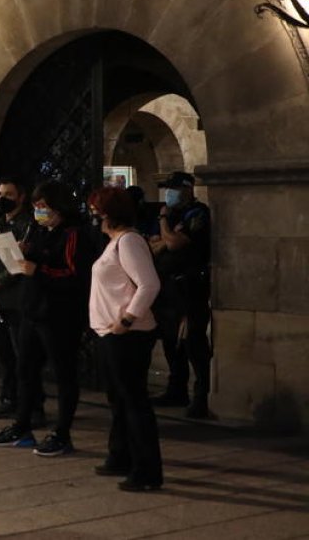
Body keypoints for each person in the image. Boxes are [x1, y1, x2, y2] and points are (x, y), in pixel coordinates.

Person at [0, 181, 99, 456]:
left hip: (59, 315)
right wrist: (23, 253)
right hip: (32, 311)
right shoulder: (38, 231)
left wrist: (37, 270)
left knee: (63, 374)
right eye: (36, 207)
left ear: (58, 206)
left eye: (43, 207)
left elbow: (74, 275)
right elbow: (32, 261)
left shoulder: (73, 234)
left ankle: (62, 432)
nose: (38, 212)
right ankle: (21, 425)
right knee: (25, 369)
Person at [88, 187, 164, 492]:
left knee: (134, 402)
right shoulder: (115, 243)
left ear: (107, 213)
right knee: (118, 400)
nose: (93, 216)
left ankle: (147, 471)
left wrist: (127, 319)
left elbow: (149, 284)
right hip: (109, 333)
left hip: (127, 335)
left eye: (95, 210)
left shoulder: (129, 241)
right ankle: (120, 455)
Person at [148, 171, 213, 419]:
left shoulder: (197, 214)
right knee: (170, 340)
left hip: (191, 287)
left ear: (187, 189)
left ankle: (202, 395)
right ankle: (176, 389)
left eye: (174, 188)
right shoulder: (172, 216)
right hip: (168, 288)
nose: (169, 193)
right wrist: (168, 235)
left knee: (193, 342)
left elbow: (174, 244)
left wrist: (165, 227)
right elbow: (153, 247)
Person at [0, 177, 43, 420]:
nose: (2, 198)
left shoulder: (28, 225)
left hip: (16, 299)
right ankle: (8, 398)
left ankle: (34, 405)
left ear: (20, 197)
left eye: (8, 194)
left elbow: (17, 265)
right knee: (3, 353)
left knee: (24, 356)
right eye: (0, 194)